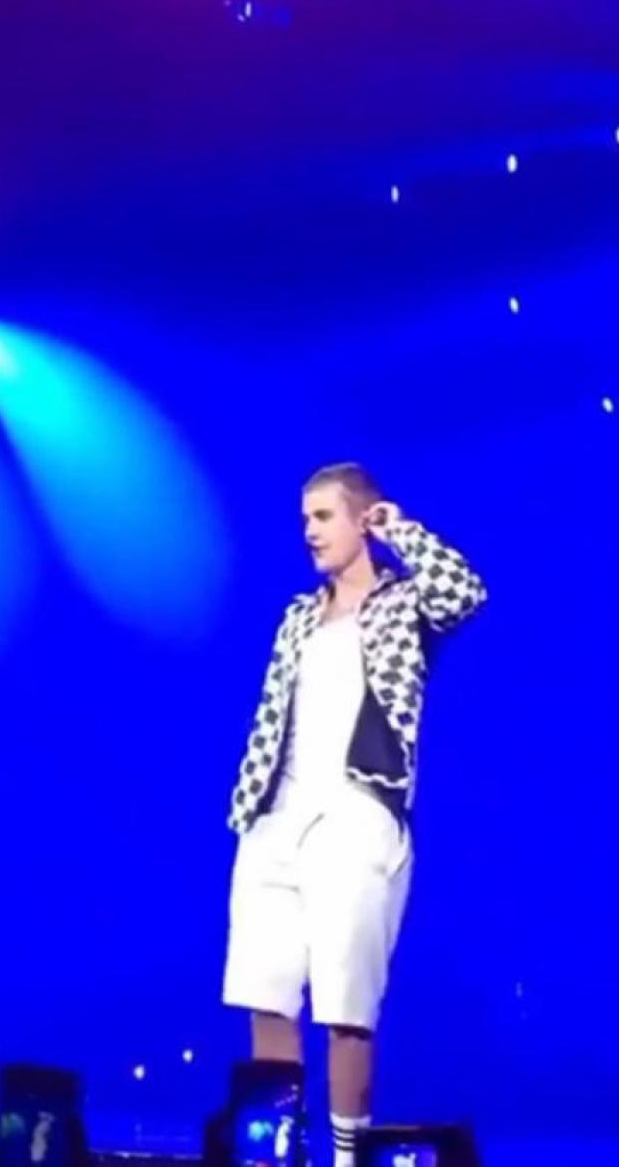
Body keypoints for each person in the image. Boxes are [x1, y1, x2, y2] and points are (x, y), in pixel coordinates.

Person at [222, 463, 486, 1167]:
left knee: (346, 1007)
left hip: (356, 812)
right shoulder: (297, 616)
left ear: (362, 519)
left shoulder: (400, 604)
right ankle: (274, 1153)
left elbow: (463, 592)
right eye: (304, 519)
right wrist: (251, 807)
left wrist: (399, 528)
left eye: (323, 516)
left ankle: (346, 1160)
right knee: (266, 994)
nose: (309, 531)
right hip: (276, 816)